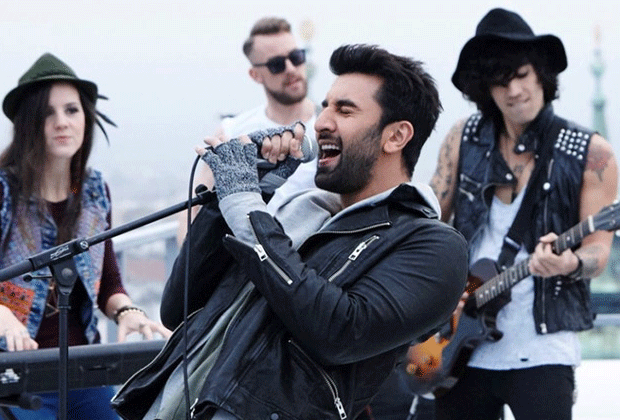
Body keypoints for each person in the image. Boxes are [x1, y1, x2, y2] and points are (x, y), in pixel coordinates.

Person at [111, 44, 469, 420]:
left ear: (395, 137)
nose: (321, 121)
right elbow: (180, 307)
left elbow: (339, 331)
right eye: (325, 107)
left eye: (344, 110)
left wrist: (248, 210)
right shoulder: (295, 213)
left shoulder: (432, 246)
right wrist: (231, 203)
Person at [430, 8, 618, 420]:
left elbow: (599, 252)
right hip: (458, 346)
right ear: (485, 88)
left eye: (522, 75)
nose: (514, 90)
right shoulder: (464, 137)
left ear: (541, 74)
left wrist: (569, 263)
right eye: (501, 81)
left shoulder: (593, 153)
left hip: (544, 348)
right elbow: (430, 225)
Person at [0, 53, 172, 419]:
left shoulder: (93, 191)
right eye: (48, 113)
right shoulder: (4, 191)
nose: (62, 122)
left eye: (71, 110)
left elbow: (108, 281)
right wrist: (4, 316)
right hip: (16, 374)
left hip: (82, 367)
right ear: (28, 123)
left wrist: (128, 312)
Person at [177, 16, 318, 244]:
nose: (291, 69)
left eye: (296, 57)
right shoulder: (233, 130)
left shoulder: (330, 128)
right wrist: (191, 260)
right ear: (255, 75)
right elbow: (193, 211)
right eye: (277, 64)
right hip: (245, 259)